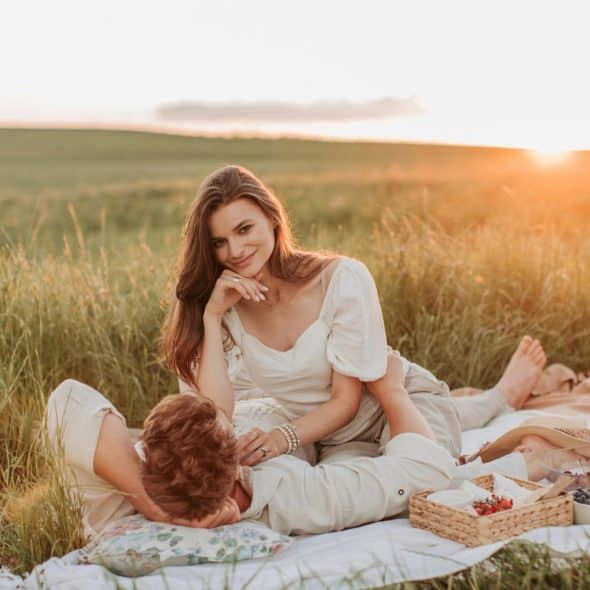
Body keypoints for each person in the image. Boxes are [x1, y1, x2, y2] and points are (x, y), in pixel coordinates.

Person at [163, 164, 547, 466]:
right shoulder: (225, 302)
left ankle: (501, 398)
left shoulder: (340, 278)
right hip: (328, 435)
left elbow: (346, 402)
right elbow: (216, 414)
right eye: (219, 242)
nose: (236, 250)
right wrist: (211, 318)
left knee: (424, 471)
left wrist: (284, 438)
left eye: (245, 229)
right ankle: (494, 398)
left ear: (272, 219)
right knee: (350, 499)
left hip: (393, 399)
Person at [45, 351, 565, 538]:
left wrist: (153, 505)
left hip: (300, 413)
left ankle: (494, 396)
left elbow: (67, 399)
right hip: (370, 413)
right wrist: (391, 390)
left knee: (427, 413)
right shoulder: (289, 498)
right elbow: (423, 473)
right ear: (233, 466)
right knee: (434, 429)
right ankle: (500, 396)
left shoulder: (125, 479)